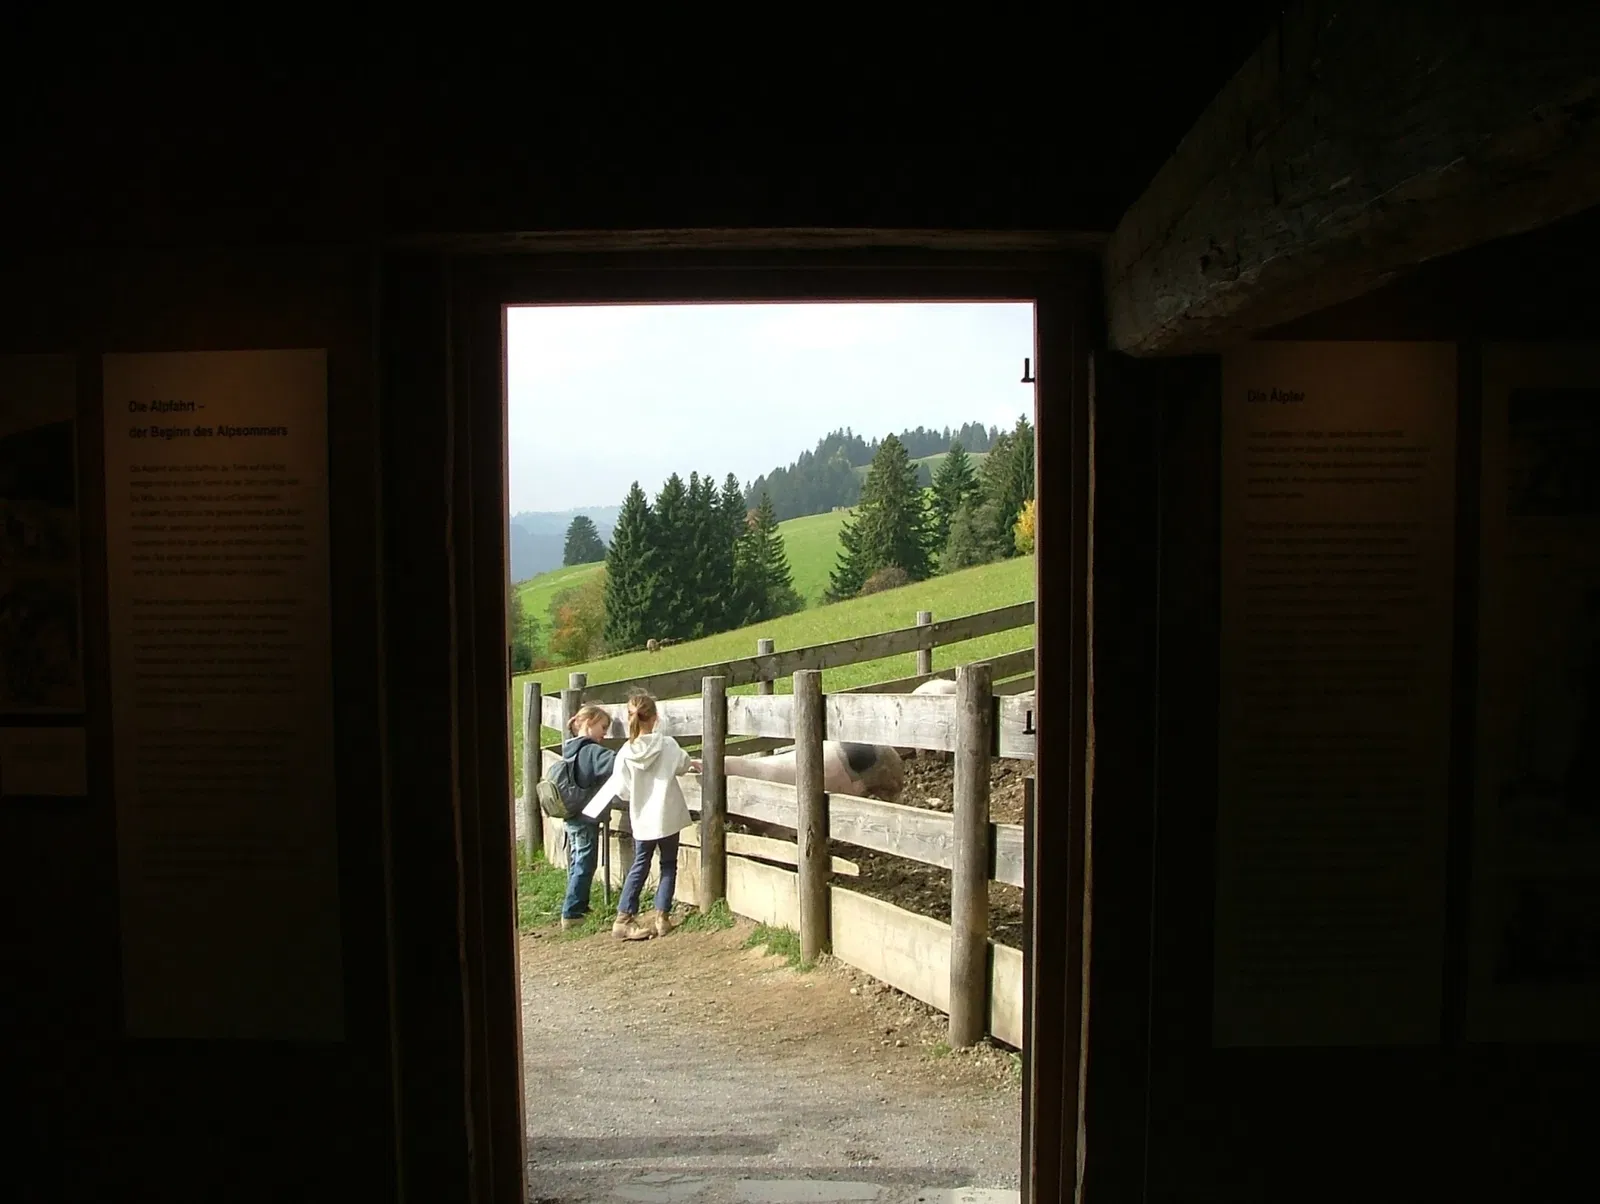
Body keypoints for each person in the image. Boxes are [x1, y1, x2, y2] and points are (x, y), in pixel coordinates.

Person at [607, 692, 700, 940]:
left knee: (640, 864)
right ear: (655, 718)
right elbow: (682, 765)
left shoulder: (625, 753)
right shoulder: (667, 744)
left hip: (642, 819)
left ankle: (623, 917)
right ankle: (662, 918)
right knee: (668, 864)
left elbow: (623, 790)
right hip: (668, 816)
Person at [558, 704, 618, 931]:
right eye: (603, 727)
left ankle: (577, 906)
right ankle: (572, 912)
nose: (605, 733)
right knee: (585, 861)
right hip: (586, 815)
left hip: (571, 814)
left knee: (577, 861)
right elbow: (616, 763)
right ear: (589, 722)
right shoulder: (591, 750)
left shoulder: (570, 748)